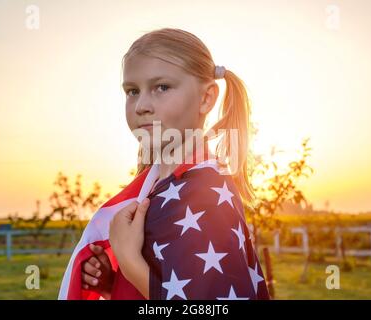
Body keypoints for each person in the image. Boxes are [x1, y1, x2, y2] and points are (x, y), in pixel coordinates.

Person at [59, 28, 269, 300]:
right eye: (132, 91)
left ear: (206, 98)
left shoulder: (205, 193)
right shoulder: (157, 187)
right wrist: (115, 284)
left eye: (162, 87)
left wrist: (130, 261)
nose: (141, 105)